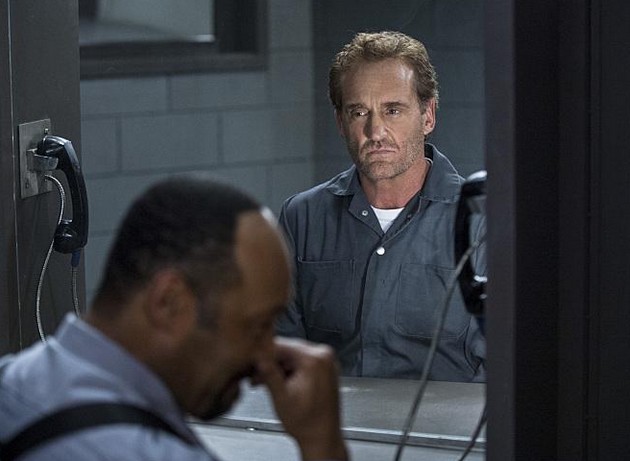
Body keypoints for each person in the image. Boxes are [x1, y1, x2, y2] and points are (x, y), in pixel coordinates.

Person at [0, 175, 348, 461]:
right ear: (168, 302)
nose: (266, 357)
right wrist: (323, 445)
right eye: (257, 327)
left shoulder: (9, 383)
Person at [275, 31, 486, 382]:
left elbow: (504, 364)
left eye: (393, 110)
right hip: (336, 416)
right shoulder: (302, 218)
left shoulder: (481, 223)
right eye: (359, 112)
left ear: (428, 115)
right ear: (341, 122)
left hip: (441, 419)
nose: (375, 131)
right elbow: (282, 353)